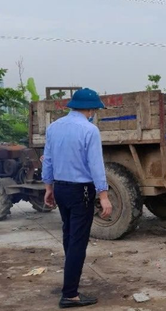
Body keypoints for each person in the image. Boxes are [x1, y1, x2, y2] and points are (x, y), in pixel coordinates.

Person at [43, 88, 113, 309]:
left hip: (61, 189)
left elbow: (49, 160)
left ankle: (70, 281)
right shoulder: (89, 130)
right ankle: (70, 294)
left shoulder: (53, 128)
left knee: (69, 235)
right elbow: (96, 165)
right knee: (77, 241)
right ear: (91, 109)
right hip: (81, 190)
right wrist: (104, 195)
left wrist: (48, 187)